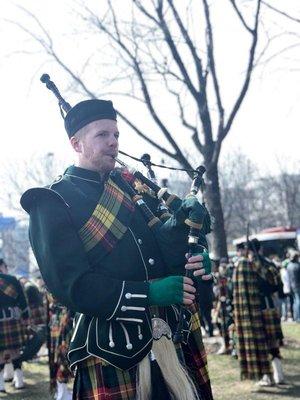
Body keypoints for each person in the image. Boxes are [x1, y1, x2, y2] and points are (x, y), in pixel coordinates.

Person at [21, 99, 214, 399]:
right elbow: (71, 286)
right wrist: (148, 293)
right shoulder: (52, 201)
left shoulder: (133, 188)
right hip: (111, 351)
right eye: (102, 135)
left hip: (171, 337)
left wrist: (195, 249)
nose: (113, 142)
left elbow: (167, 255)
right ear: (76, 143)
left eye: (116, 135)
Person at [233, 240, 284, 386]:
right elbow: (277, 285)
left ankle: (268, 376)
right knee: (273, 340)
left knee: (261, 343)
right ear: (260, 248)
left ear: (247, 250)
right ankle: (278, 374)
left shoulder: (249, 265)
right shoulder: (268, 264)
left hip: (257, 310)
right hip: (270, 306)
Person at [0, 259, 29, 392]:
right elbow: (22, 301)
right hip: (13, 319)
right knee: (16, 351)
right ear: (3, 267)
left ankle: (0, 385)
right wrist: (25, 317)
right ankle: (19, 381)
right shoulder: (12, 279)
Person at [287, 251, 300, 322]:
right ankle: (298, 317)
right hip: (298, 285)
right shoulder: (297, 265)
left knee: (295, 301)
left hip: (291, 286)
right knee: (298, 301)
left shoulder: (289, 266)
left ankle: (296, 317)